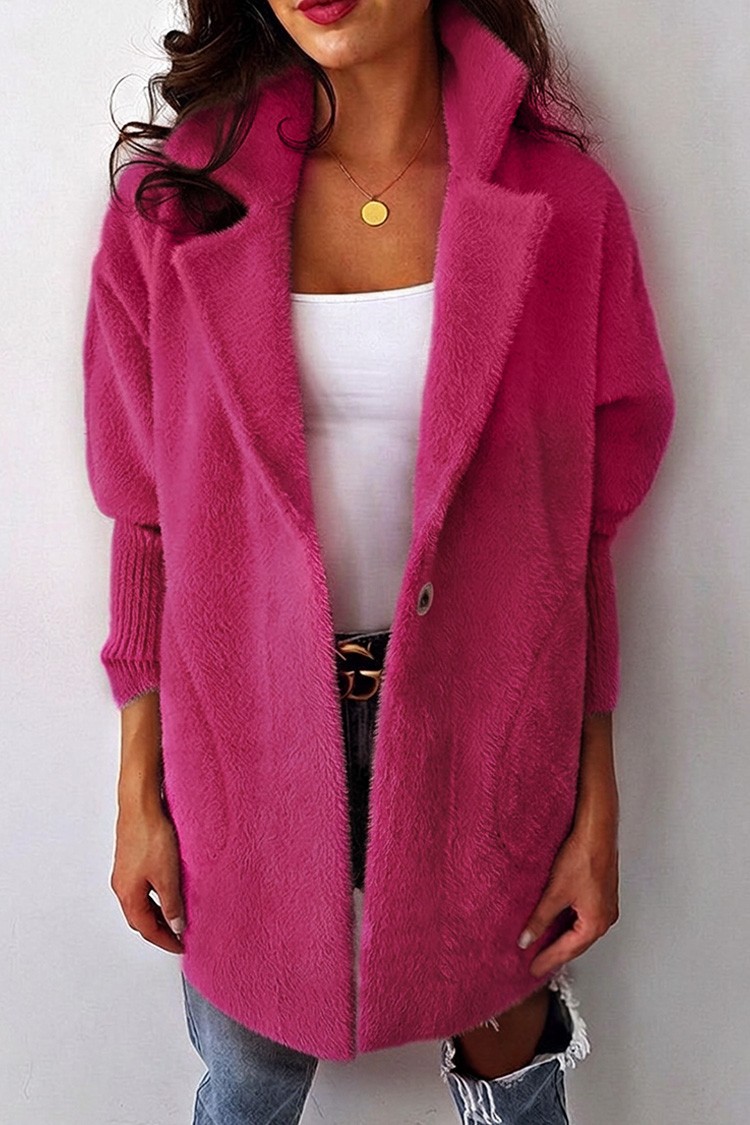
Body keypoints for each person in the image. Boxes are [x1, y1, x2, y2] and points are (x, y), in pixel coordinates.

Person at [81, 0, 676, 1121]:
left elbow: (582, 533)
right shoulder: (173, 211)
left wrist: (594, 801)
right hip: (242, 741)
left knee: (515, 1080)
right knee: (248, 1077)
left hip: (491, 733)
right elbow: (143, 519)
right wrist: (137, 793)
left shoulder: (561, 207)